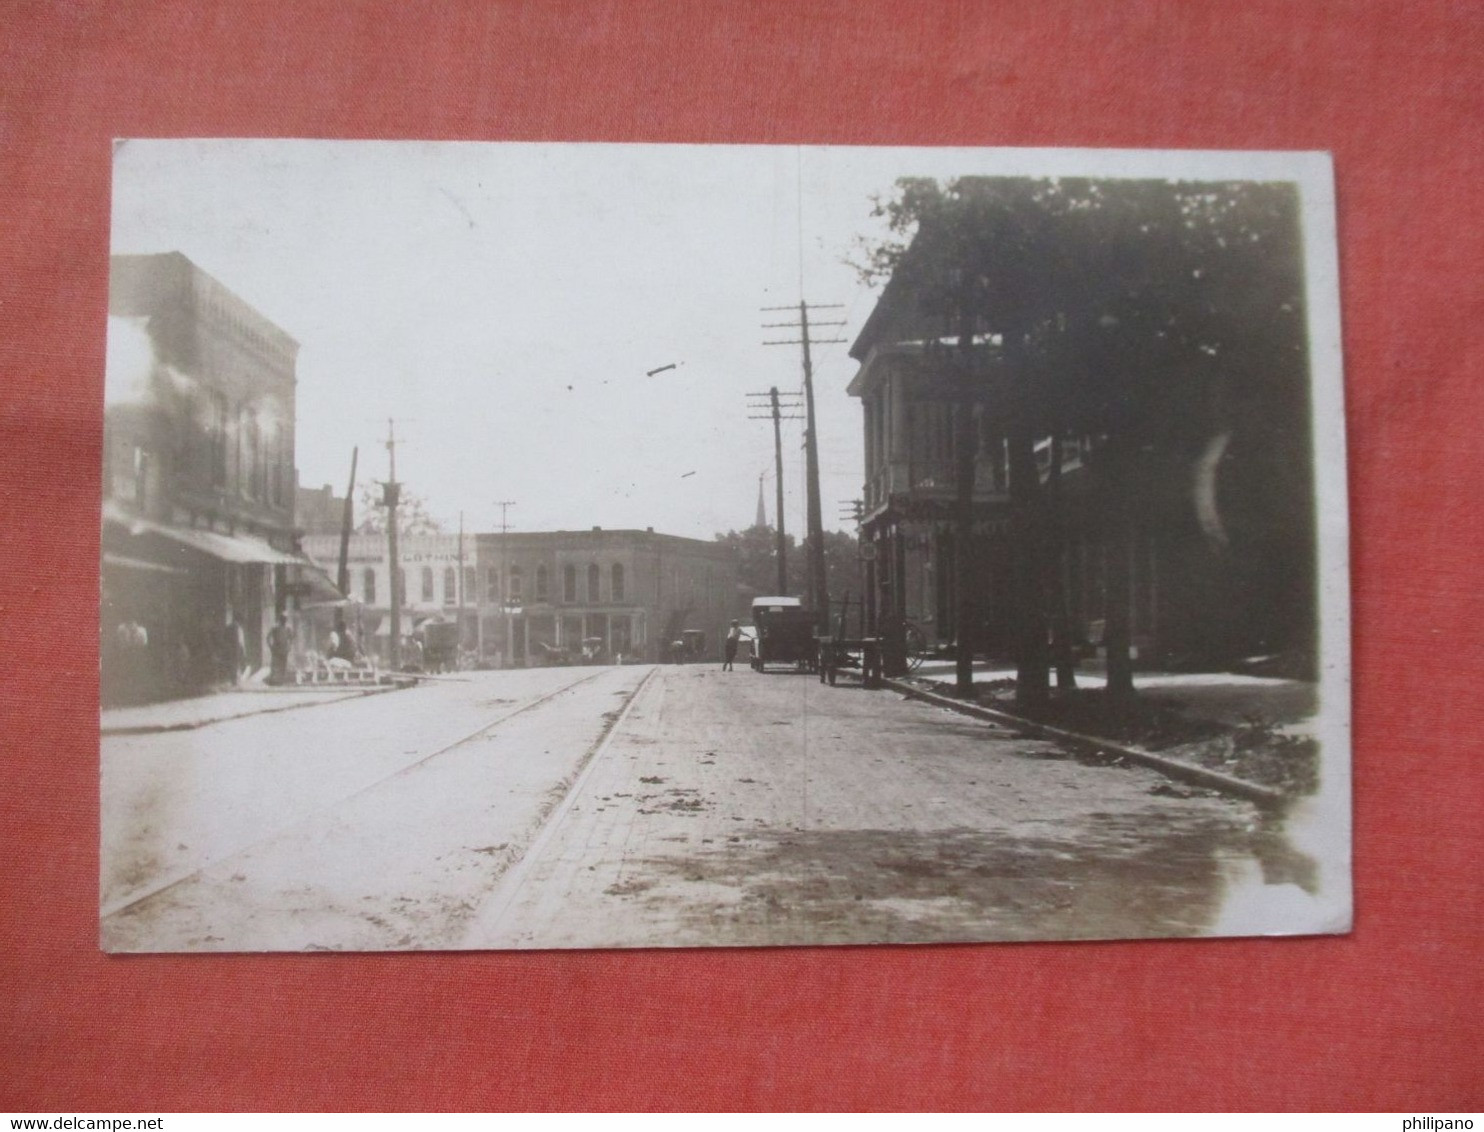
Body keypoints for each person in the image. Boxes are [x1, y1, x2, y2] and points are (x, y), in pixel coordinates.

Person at [267, 613, 294, 685]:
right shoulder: (275, 627)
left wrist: (289, 647)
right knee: (275, 665)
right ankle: (273, 681)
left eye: (285, 619)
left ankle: (281, 681)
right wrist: (271, 646)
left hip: (284, 649)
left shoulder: (288, 628)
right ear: (280, 619)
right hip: (276, 648)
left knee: (283, 665)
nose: (284, 621)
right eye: (283, 619)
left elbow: (291, 638)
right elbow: (268, 637)